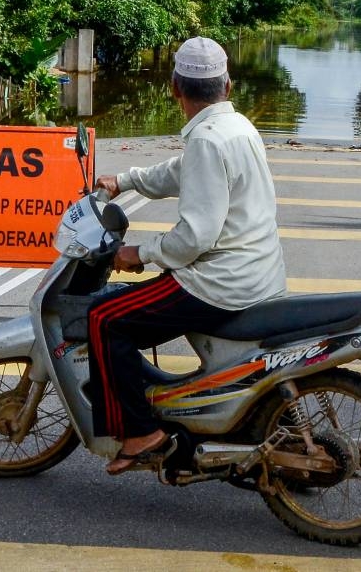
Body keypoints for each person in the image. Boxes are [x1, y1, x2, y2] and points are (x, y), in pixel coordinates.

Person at [89, 36, 287, 475]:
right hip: (259, 273)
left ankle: (139, 432)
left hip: (218, 284)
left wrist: (138, 253)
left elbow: (194, 237)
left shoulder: (207, 141)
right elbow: (181, 172)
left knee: (105, 319)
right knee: (124, 311)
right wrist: (126, 180)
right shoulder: (236, 129)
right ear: (228, 87)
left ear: (175, 88)